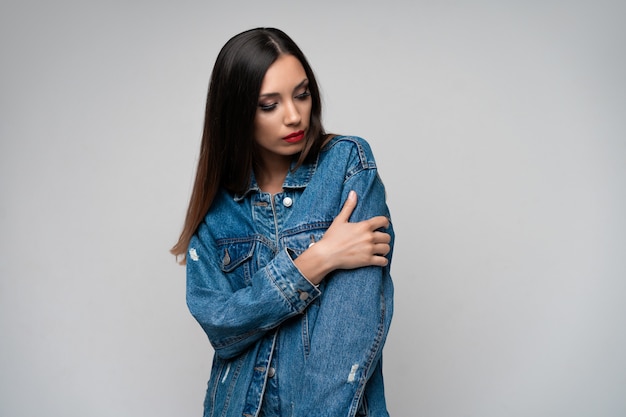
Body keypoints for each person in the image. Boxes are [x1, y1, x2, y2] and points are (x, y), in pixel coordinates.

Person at [171, 27, 395, 417]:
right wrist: (317, 259)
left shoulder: (347, 165)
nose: (294, 116)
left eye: (302, 94)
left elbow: (350, 328)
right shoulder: (217, 208)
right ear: (236, 113)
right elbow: (222, 329)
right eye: (268, 105)